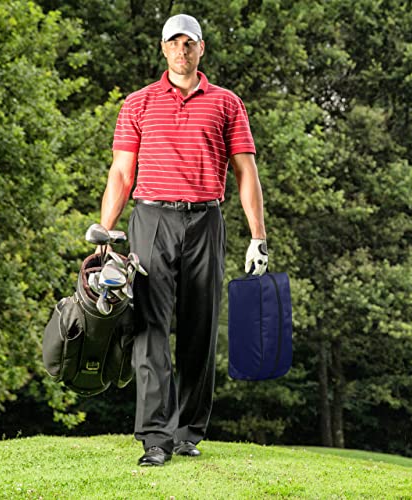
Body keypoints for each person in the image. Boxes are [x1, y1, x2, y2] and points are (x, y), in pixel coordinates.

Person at [98, 13, 268, 466]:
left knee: (200, 327)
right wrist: (106, 231)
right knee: (149, 328)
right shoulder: (137, 103)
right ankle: (156, 438)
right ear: (163, 48)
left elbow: (246, 172)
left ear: (201, 48)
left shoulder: (227, 104)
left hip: (206, 220)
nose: (181, 50)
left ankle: (188, 431)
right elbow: (121, 173)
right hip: (151, 219)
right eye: (173, 42)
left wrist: (258, 236)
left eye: (188, 43)